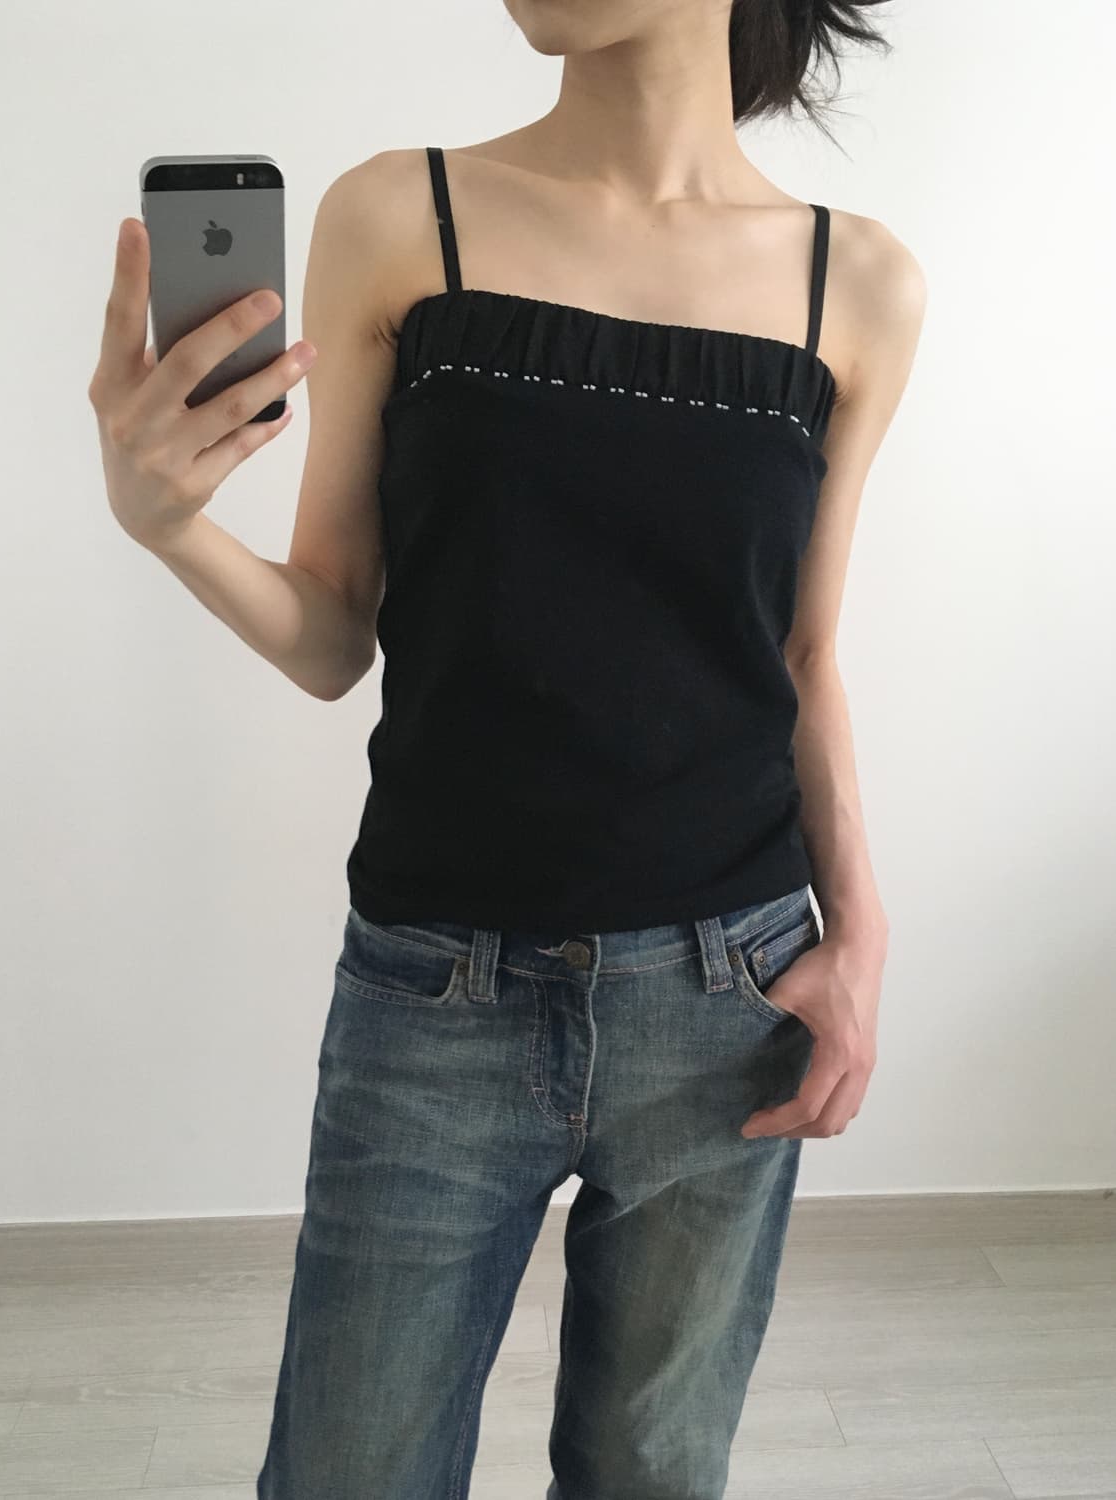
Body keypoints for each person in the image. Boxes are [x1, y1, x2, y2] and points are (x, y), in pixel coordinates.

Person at [89, 2, 925, 1495]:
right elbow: (333, 634)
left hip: (727, 993)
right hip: (435, 993)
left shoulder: (853, 282)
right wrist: (167, 528)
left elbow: (803, 655)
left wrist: (859, 940)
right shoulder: (397, 217)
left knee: (652, 1469)